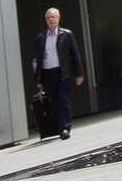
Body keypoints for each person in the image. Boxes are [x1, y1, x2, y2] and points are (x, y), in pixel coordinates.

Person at [30, 7, 84, 140]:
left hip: (63, 72)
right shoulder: (41, 38)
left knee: (63, 100)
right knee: (54, 102)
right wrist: (38, 79)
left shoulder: (66, 34)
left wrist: (79, 73)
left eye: (53, 17)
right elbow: (38, 58)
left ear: (58, 18)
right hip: (48, 73)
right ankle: (60, 127)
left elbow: (75, 54)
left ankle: (65, 128)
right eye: (48, 17)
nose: (51, 20)